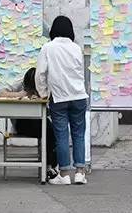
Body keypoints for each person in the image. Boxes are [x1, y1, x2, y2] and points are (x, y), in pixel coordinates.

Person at [35, 16, 88, 185]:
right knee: (79, 134)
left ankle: (64, 174)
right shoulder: (76, 48)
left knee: (62, 136)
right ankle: (80, 172)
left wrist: (43, 93)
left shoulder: (48, 48)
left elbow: (40, 74)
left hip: (59, 98)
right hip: (79, 96)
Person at [0, 67, 57, 180]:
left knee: (50, 129)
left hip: (40, 122)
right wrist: (21, 95)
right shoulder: (20, 83)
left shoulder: (46, 85)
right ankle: (49, 166)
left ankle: (50, 166)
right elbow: (0, 93)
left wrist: (40, 99)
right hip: (21, 123)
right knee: (49, 130)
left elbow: (49, 109)